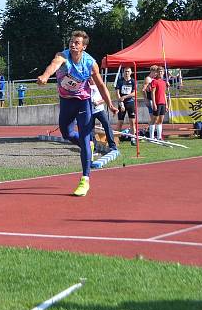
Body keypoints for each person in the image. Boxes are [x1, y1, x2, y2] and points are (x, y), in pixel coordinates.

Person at [36, 30, 117, 197]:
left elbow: (101, 85)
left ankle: (85, 179)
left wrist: (109, 103)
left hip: (83, 102)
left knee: (85, 137)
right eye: (71, 41)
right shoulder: (62, 57)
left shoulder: (90, 63)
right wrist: (44, 76)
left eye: (77, 43)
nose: (72, 44)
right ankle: (86, 145)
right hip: (66, 101)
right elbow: (53, 65)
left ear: (84, 47)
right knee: (66, 133)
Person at [89, 81, 117, 156]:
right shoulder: (85, 85)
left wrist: (98, 102)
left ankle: (112, 146)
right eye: (90, 76)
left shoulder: (100, 85)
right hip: (90, 111)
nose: (91, 78)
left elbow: (106, 98)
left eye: (92, 77)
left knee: (107, 126)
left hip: (100, 110)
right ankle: (93, 148)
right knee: (90, 130)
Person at [145, 66, 169, 141]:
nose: (160, 73)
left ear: (163, 73)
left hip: (163, 103)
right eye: (159, 72)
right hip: (157, 102)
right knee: (154, 119)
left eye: (162, 72)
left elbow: (164, 93)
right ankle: (151, 137)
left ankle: (159, 137)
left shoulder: (164, 82)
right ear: (157, 73)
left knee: (161, 120)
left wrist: (167, 104)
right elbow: (152, 93)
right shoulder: (154, 81)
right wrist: (154, 104)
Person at [114, 66, 137, 138]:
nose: (126, 73)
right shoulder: (120, 81)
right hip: (122, 103)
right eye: (125, 71)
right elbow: (117, 93)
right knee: (120, 122)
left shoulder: (133, 81)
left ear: (131, 72)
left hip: (130, 103)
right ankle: (117, 138)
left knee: (132, 122)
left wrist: (125, 97)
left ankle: (133, 138)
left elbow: (134, 93)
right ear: (123, 72)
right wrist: (121, 103)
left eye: (128, 71)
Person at [142, 65, 158, 138]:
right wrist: (146, 99)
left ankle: (151, 133)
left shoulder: (154, 79)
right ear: (152, 71)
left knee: (154, 119)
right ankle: (150, 134)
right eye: (155, 72)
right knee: (153, 118)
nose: (156, 74)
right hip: (150, 100)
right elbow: (143, 89)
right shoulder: (148, 79)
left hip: (155, 99)